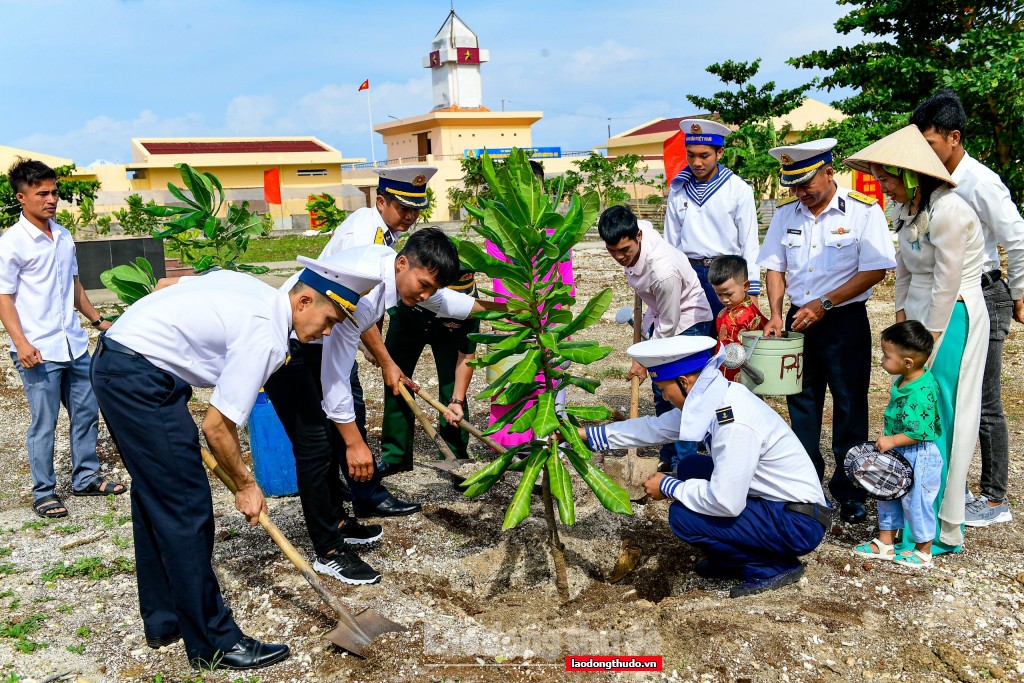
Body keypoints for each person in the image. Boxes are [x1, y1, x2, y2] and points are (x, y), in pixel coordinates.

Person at [89, 256, 369, 670]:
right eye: (328, 321)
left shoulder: (256, 289)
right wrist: (245, 485)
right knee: (185, 507)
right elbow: (217, 426)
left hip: (123, 364)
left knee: (156, 498)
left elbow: (168, 287)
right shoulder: (268, 336)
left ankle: (166, 619)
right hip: (140, 378)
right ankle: (213, 643)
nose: (325, 333)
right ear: (305, 300)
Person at [580, 336, 829, 598]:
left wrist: (668, 486)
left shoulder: (733, 421)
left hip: (798, 523)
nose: (664, 396)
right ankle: (732, 558)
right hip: (776, 505)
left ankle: (771, 566)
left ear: (684, 381)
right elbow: (654, 428)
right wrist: (587, 436)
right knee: (691, 467)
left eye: (664, 389)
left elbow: (726, 502)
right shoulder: (711, 397)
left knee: (683, 517)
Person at [845, 124, 988, 554]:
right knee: (911, 409)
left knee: (942, 415)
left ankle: (940, 528)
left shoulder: (950, 211)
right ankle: (908, 514)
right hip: (920, 322)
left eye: (887, 179)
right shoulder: (907, 211)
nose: (882, 187)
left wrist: (927, 345)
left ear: (910, 176)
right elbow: (904, 272)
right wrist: (901, 323)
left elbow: (946, 284)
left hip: (952, 317)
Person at [758, 138, 897, 524]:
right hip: (797, 321)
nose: (800, 193)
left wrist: (826, 303)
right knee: (801, 406)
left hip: (843, 321)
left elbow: (875, 269)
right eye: (794, 186)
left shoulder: (862, 212)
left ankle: (850, 489)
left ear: (829, 172)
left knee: (850, 406)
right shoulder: (787, 215)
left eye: (806, 184)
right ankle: (805, 486)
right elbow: (774, 266)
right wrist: (774, 314)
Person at [911, 89, 1023, 527]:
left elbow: (1016, 237)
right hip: (948, 295)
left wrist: (1019, 293)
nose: (925, 153)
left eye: (931, 143)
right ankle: (949, 486)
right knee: (952, 395)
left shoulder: (980, 181)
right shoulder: (932, 184)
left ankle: (994, 498)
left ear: (953, 137)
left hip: (984, 292)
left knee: (987, 399)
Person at [0, 159, 125, 520]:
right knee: (45, 421)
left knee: (86, 413)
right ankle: (44, 492)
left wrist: (99, 320)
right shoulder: (12, 243)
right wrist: (21, 343)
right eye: (43, 193)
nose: (52, 199)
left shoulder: (64, 236)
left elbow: (73, 285)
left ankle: (86, 478)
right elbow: (4, 297)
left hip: (73, 343)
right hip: (37, 348)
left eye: (54, 192)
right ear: (22, 198)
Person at [317, 165, 438, 437]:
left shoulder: (384, 231)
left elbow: (379, 292)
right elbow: (356, 305)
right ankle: (352, 473)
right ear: (381, 201)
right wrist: (386, 362)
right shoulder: (363, 236)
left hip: (340, 330)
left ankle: (346, 473)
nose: (411, 216)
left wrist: (374, 346)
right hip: (320, 332)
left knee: (343, 408)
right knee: (344, 410)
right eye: (404, 208)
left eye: (416, 209)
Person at [597, 204, 713, 473]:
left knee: (681, 394)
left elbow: (671, 325)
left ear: (638, 236)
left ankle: (684, 465)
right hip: (662, 314)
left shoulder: (663, 271)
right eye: (612, 251)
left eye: (624, 250)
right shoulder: (641, 231)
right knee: (662, 392)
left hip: (688, 320)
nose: (619, 257)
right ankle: (668, 453)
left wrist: (644, 360)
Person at [484, 160, 575, 449]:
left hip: (549, 319)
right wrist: (516, 318)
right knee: (513, 381)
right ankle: (512, 444)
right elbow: (501, 282)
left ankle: (552, 438)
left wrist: (563, 322)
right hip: (516, 322)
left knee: (551, 379)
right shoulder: (500, 231)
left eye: (530, 187)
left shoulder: (556, 230)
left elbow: (566, 279)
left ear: (541, 189)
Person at [853, 321, 942, 568]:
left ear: (908, 362)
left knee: (916, 501)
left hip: (919, 455)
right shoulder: (906, 379)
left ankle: (924, 550)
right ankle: (885, 542)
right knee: (886, 493)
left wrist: (892, 440)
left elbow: (921, 431)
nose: (881, 360)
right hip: (899, 451)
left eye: (886, 356)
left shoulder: (920, 392)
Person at [664, 119, 761, 318]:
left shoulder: (738, 189)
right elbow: (670, 242)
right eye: (690, 155)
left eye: (704, 156)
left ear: (720, 153)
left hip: (728, 277)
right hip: (690, 274)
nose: (696, 162)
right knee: (693, 337)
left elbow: (749, 242)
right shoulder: (678, 189)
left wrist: (752, 291)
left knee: (730, 339)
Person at [708, 255, 768, 381]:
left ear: (745, 286)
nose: (724, 299)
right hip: (722, 371)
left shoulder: (752, 315)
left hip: (745, 374)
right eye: (719, 294)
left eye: (729, 294)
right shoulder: (722, 313)